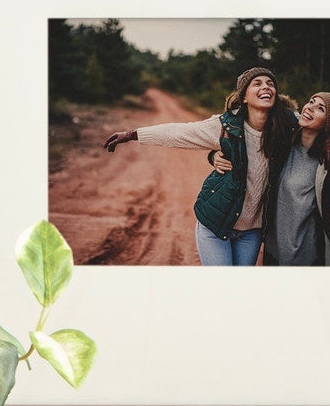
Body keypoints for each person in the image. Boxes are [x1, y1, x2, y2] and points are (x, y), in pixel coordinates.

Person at [102, 66, 293, 265]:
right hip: (215, 223)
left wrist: (329, 141)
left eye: (271, 84)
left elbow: (315, 126)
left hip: (252, 231)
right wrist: (132, 134)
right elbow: (180, 132)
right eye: (258, 83)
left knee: (238, 290)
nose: (266, 87)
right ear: (244, 97)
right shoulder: (225, 126)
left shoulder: (287, 127)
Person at [270, 92, 330, 267]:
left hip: (306, 257)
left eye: (320, 109)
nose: (310, 108)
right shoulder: (283, 141)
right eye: (311, 102)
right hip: (273, 251)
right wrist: (215, 155)